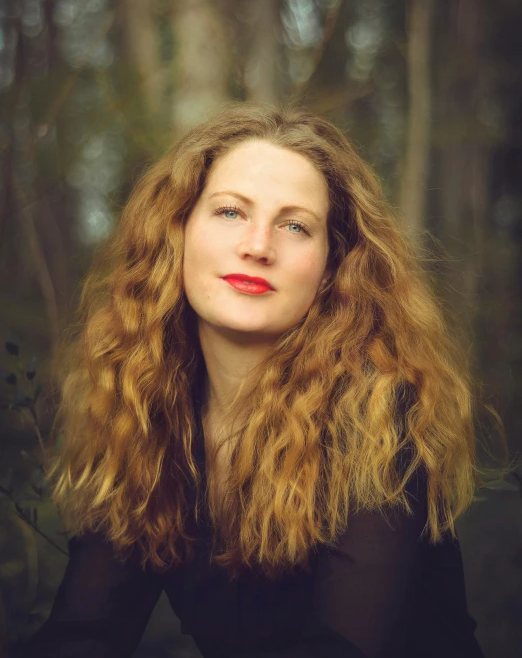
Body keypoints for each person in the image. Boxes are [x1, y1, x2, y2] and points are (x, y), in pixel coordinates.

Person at [11, 104, 492, 658]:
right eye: (231, 212)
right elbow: (84, 634)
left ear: (333, 265)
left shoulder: (380, 409)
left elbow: (343, 649)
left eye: (295, 226)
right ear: (178, 232)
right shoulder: (145, 408)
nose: (258, 246)